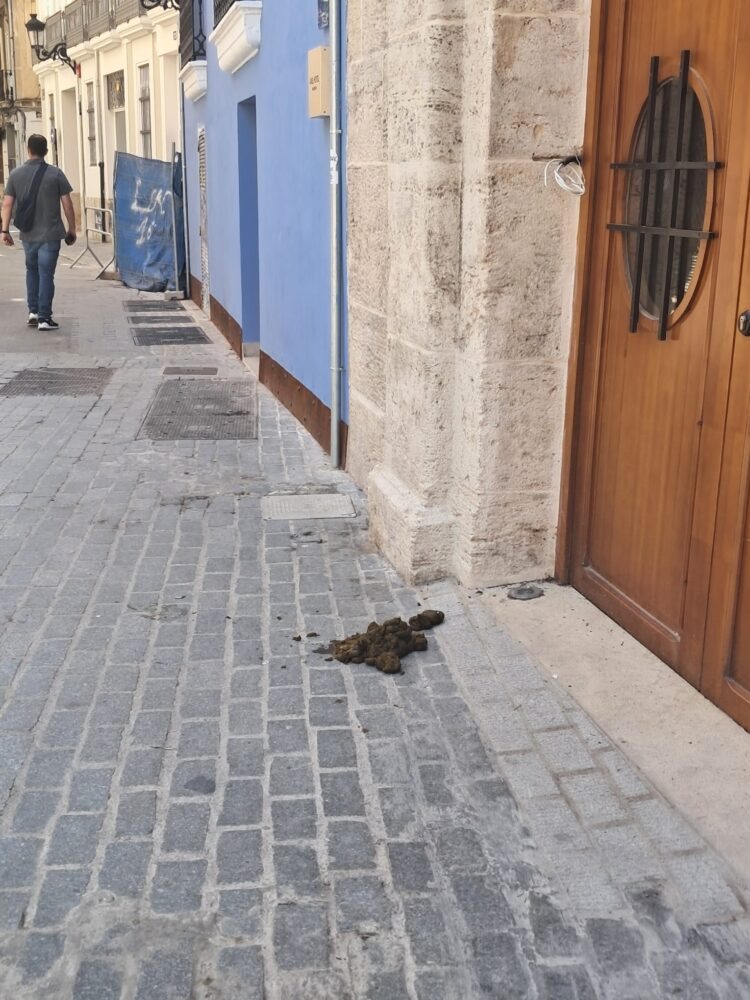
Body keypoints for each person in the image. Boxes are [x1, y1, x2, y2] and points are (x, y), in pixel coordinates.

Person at [1, 134, 77, 331]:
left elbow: (7, 203)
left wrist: (4, 230)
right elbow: (67, 203)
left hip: (28, 235)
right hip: (51, 235)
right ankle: (44, 318)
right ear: (46, 151)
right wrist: (72, 228)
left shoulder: (15, 174)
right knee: (46, 274)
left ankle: (33, 312)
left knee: (32, 271)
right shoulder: (56, 174)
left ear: (28, 150)